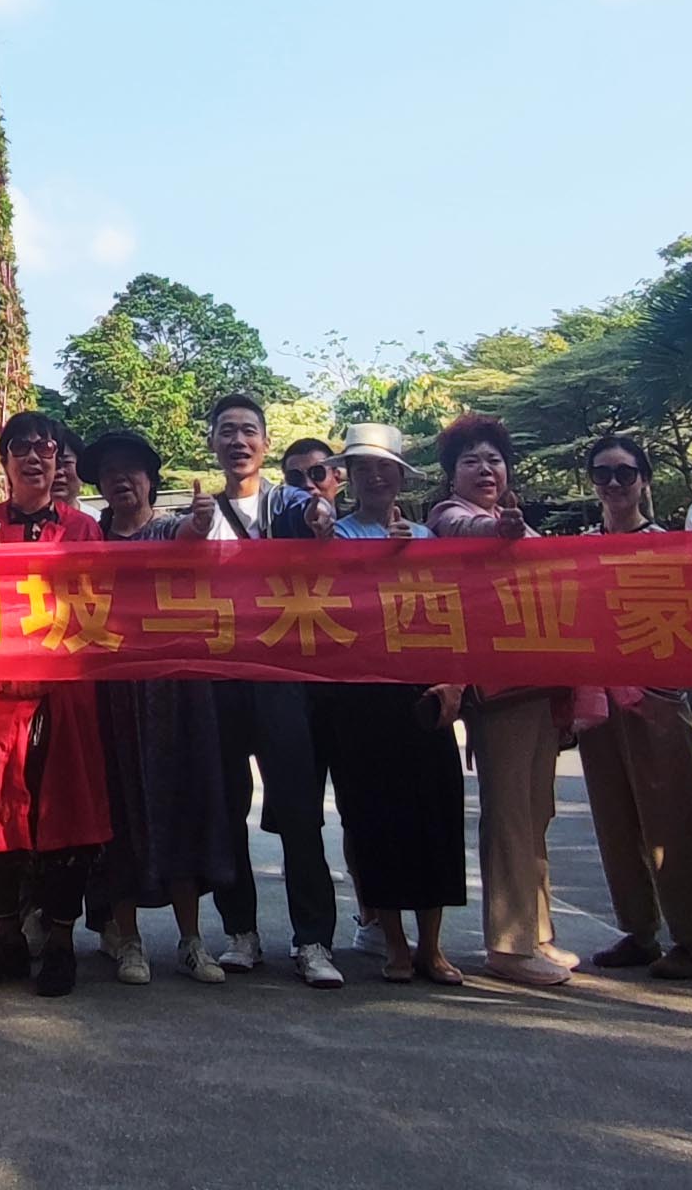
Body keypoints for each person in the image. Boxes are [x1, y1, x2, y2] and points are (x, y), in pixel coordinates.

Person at [177, 394, 344, 985]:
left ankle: (313, 940)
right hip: (221, 678)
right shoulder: (199, 512)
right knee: (225, 808)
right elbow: (171, 573)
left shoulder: (289, 501)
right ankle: (240, 933)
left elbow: (321, 527)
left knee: (298, 810)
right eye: (227, 431)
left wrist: (323, 521)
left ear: (266, 444)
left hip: (281, 680)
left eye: (249, 431)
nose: (238, 441)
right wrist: (192, 536)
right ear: (214, 443)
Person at [0, 411, 110, 996]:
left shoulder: (84, 531)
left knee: (67, 816)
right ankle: (10, 937)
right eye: (22, 447)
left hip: (64, 698)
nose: (34, 457)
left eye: (47, 448)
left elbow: (101, 609)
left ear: (60, 460)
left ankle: (61, 942)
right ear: (4, 459)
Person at [426, 414, 580, 989]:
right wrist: (504, 532)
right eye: (471, 461)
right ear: (450, 478)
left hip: (541, 685)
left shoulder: (512, 522)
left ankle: (536, 932)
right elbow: (465, 532)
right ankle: (508, 946)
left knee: (536, 813)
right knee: (512, 814)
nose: (486, 469)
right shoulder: (453, 517)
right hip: (500, 689)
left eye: (494, 460)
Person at [85, 428, 243, 986]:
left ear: (151, 479)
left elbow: (200, 545)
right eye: (109, 472)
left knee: (183, 804)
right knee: (118, 809)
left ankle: (191, 940)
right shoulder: (91, 538)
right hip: (111, 692)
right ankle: (127, 941)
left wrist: (202, 524)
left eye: (131, 469)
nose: (120, 479)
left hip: (177, 691)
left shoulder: (172, 529)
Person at [315, 425, 467, 985]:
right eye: (361, 469)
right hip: (361, 699)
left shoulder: (429, 539)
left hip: (424, 696)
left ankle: (433, 945)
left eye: (384, 467)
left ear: (401, 475)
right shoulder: (335, 538)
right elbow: (331, 606)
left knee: (435, 816)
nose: (374, 476)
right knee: (377, 818)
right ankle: (395, 944)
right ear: (348, 479)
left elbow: (455, 616)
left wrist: (456, 681)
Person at [572, 434, 692, 981]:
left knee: (674, 821)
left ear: (644, 479)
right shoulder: (578, 550)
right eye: (602, 473)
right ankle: (638, 929)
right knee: (614, 819)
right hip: (597, 701)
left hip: (657, 697)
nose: (613, 484)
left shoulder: (670, 545)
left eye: (625, 472)